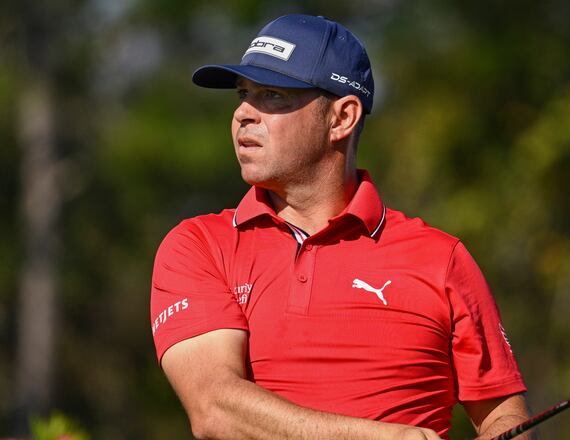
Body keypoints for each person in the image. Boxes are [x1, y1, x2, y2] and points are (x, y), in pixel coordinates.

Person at [150, 14, 532, 440]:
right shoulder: (200, 246)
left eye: (272, 95)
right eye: (243, 94)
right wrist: (389, 438)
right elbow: (215, 408)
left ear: (342, 118)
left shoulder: (442, 259)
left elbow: (504, 417)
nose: (243, 114)